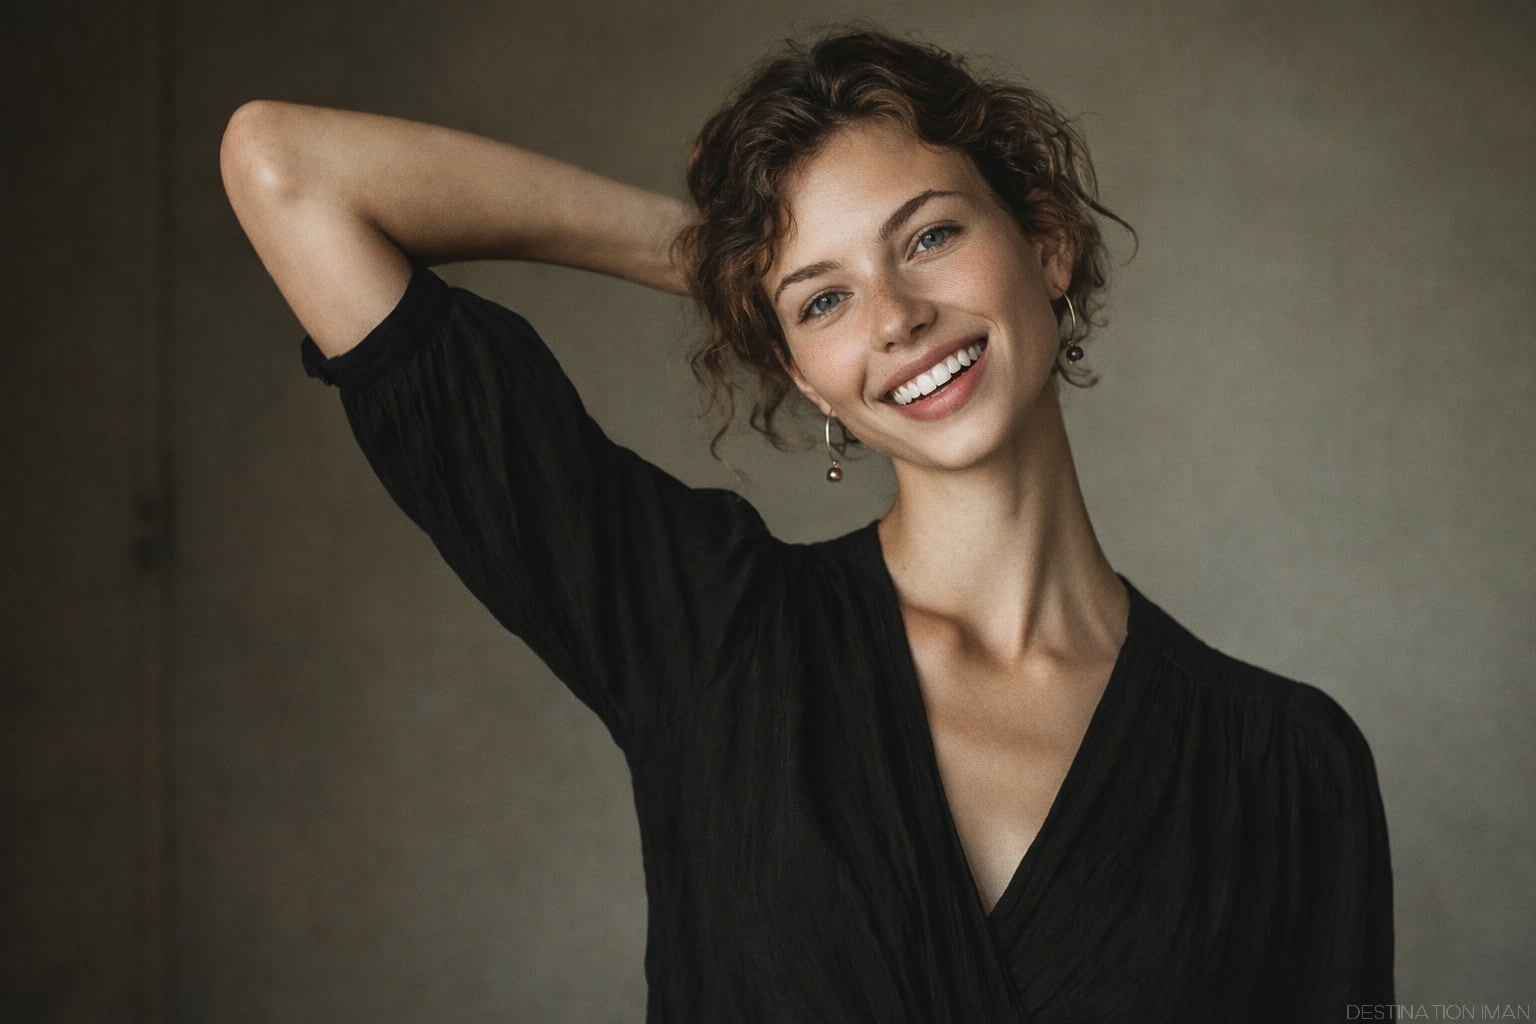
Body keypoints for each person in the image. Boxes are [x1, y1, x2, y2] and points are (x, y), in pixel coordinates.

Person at [220, 27, 1393, 1023]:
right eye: (825, 299)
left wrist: (790, 286)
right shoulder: (710, 634)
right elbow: (287, 169)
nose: (895, 318)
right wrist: (719, 263)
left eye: (929, 235)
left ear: (1047, 244)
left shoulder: (1287, 765)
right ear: (806, 379)